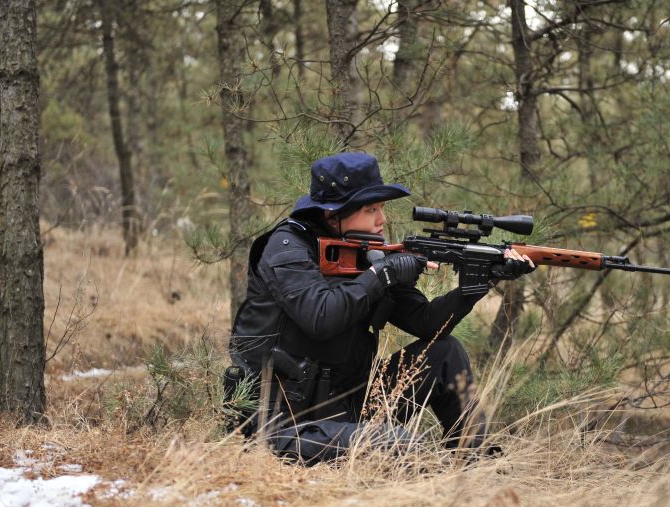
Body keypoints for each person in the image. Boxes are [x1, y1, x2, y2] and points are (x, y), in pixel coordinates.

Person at [225, 152, 534, 463]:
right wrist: (382, 274)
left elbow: (426, 323)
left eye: (382, 208)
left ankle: (477, 464)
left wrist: (475, 287)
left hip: (349, 409)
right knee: (397, 445)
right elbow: (320, 317)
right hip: (282, 427)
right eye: (370, 209)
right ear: (333, 215)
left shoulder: (365, 251)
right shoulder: (287, 249)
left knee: (445, 352)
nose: (381, 220)